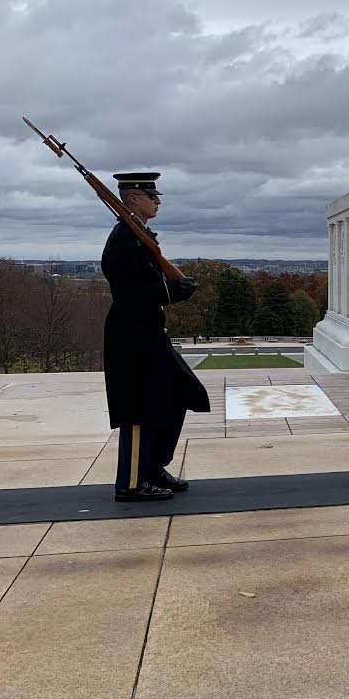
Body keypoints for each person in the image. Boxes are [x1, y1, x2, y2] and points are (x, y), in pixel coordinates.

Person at [101, 172, 211, 501]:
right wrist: (172, 291)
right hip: (132, 336)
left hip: (148, 333)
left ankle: (152, 466)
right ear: (132, 198)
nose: (158, 200)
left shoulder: (137, 235)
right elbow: (129, 292)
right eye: (152, 195)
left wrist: (171, 289)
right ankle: (132, 482)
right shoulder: (124, 238)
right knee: (137, 409)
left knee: (179, 392)